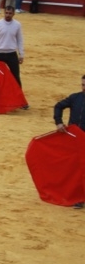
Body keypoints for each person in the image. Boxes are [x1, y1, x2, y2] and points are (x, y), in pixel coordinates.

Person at [53, 75, 85, 208]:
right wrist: (59, 122)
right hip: (74, 140)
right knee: (75, 168)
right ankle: (78, 197)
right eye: (83, 85)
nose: (84, 88)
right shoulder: (75, 97)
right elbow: (58, 106)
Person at [0, 5, 26, 102]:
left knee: (15, 77)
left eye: (10, 13)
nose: (8, 15)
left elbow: (20, 40)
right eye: (6, 13)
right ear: (4, 13)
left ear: (13, 14)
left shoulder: (17, 25)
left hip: (12, 54)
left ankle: (20, 101)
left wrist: (21, 54)